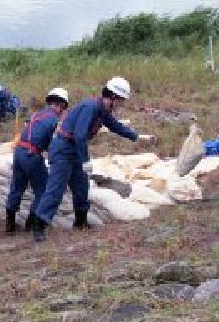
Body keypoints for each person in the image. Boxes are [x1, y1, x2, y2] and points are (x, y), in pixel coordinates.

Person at [32, 77, 152, 242]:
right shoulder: (91, 107)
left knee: (81, 187)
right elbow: (80, 135)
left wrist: (136, 137)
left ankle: (80, 222)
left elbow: (115, 126)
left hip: (74, 150)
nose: (121, 105)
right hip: (63, 150)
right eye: (121, 101)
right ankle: (39, 226)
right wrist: (85, 160)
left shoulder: (102, 111)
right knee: (56, 189)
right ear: (113, 98)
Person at [4, 87, 69, 234]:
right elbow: (54, 144)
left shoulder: (37, 114)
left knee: (17, 188)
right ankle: (31, 223)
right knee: (44, 190)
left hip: (19, 152)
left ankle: (10, 226)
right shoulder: (54, 120)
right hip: (31, 155)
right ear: (60, 105)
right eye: (63, 107)